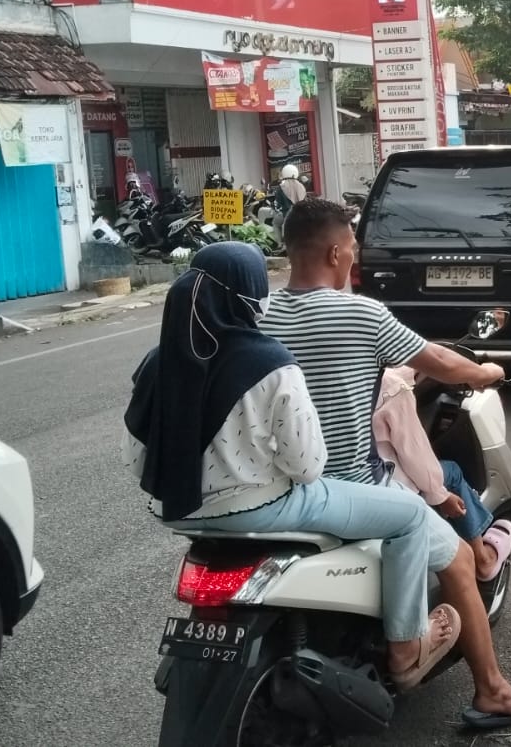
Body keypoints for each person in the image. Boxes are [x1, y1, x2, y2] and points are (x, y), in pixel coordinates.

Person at [123, 243, 476, 709]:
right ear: (249, 295)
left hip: (183, 515)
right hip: (264, 507)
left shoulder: (156, 362)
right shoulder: (268, 360)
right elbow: (307, 466)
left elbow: (138, 457)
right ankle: (407, 644)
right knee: (409, 515)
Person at [255, 202, 511, 729]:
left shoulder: (261, 313)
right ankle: (492, 692)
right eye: (354, 250)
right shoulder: (359, 313)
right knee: (458, 557)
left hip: (279, 490)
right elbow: (436, 361)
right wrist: (484, 372)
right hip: (350, 488)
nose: (354, 259)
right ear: (337, 251)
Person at [373, 364, 511, 580]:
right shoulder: (393, 386)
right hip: (393, 485)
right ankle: (483, 558)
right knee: (451, 471)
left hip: (353, 484)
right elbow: (416, 456)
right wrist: (441, 495)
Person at [272, 164, 307, 245]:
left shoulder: (282, 186)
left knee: (275, 223)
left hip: (286, 213)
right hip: (300, 213)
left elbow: (278, 202)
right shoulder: (301, 186)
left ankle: (279, 243)